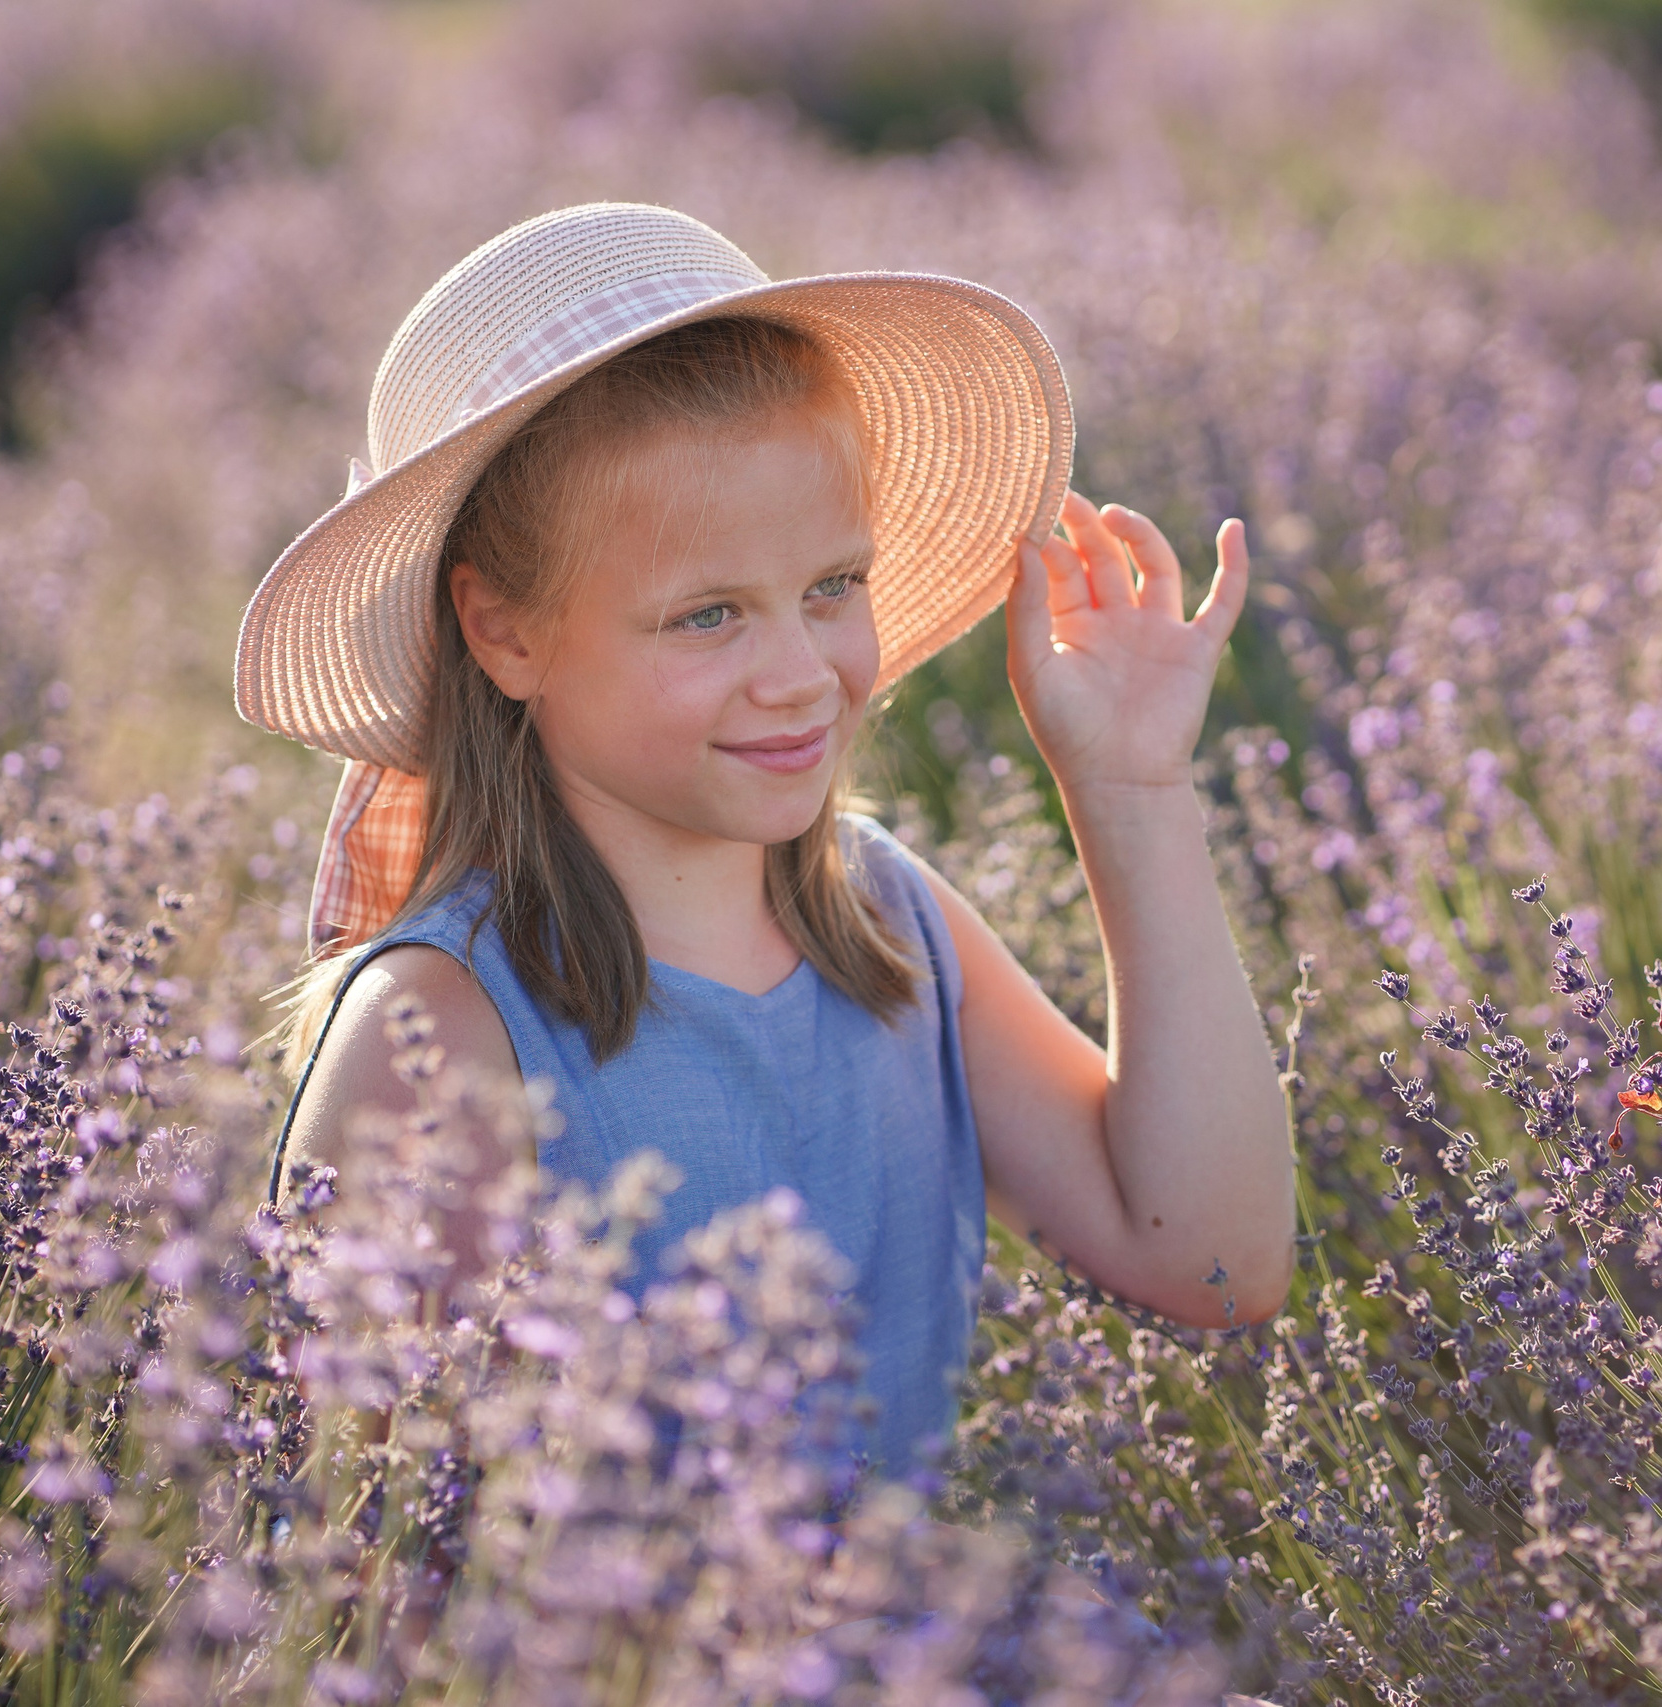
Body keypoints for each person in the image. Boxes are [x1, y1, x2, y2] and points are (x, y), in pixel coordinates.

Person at [239, 202, 1294, 1481]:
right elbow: (355, 1581)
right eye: (706, 617)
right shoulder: (438, 1034)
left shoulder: (884, 927)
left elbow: (1214, 1260)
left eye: (831, 588)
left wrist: (1131, 794)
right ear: (507, 632)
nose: (800, 675)